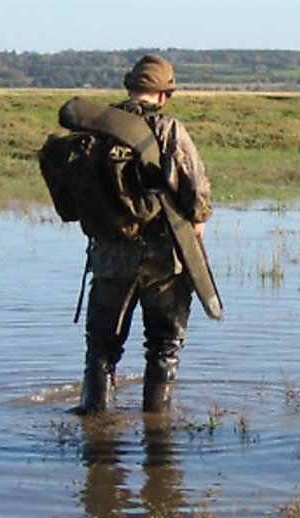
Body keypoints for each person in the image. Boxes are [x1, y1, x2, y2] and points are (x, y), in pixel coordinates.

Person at [75, 54, 212, 415]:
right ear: (164, 95)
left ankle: (93, 421)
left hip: (109, 258)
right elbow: (198, 200)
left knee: (101, 348)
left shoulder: (98, 128)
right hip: (164, 260)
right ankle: (157, 427)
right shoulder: (169, 129)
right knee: (164, 347)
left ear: (130, 87)